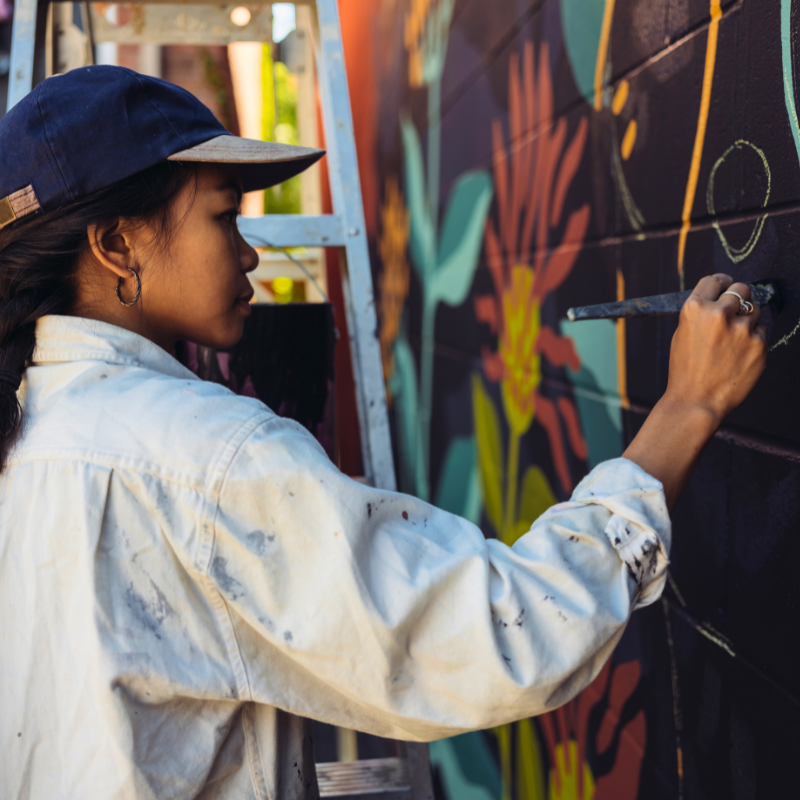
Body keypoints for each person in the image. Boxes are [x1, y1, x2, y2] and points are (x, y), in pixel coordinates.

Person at [0, 67, 766, 800]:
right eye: (223, 214)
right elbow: (505, 636)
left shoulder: (29, 429)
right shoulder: (202, 457)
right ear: (116, 246)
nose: (249, 252)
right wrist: (687, 409)